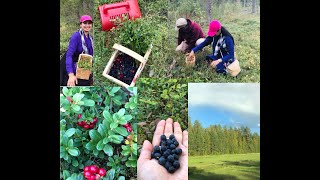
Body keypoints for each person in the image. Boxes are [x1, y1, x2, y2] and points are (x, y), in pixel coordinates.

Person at [60, 15, 94, 86]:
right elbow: (69, 55)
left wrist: (90, 69)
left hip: (81, 64)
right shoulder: (76, 36)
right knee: (72, 84)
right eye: (85, 23)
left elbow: (90, 55)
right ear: (81, 25)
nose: (87, 25)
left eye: (89, 23)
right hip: (70, 63)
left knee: (85, 83)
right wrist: (71, 75)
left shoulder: (90, 38)